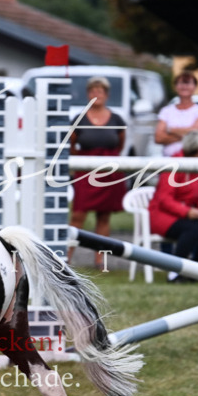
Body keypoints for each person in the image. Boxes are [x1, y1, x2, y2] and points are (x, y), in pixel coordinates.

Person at [68, 76, 127, 266]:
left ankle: (101, 260)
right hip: (85, 171)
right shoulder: (79, 117)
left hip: (109, 172)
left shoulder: (117, 118)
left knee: (104, 216)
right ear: (88, 94)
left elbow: (120, 144)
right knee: (78, 215)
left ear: (107, 95)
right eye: (93, 91)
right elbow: (71, 143)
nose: (96, 94)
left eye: (100, 91)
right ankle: (65, 258)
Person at [148, 130, 198, 282]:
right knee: (191, 229)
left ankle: (196, 272)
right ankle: (174, 273)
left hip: (185, 216)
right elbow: (164, 199)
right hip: (162, 216)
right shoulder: (175, 165)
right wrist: (187, 212)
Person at [155, 71, 198, 157]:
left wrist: (170, 130)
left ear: (195, 86)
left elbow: (197, 132)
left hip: (194, 161)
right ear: (175, 86)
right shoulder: (166, 111)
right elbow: (158, 138)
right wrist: (189, 135)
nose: (184, 86)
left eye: (187, 83)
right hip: (170, 163)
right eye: (181, 83)